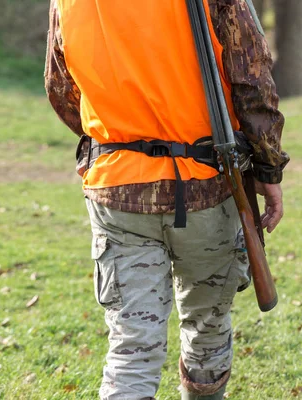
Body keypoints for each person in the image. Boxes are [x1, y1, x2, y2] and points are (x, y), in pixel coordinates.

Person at [44, 0, 289, 399]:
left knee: (132, 348)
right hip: (207, 187)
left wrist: (118, 146)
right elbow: (251, 76)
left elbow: (60, 87)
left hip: (117, 189)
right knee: (207, 328)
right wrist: (268, 166)